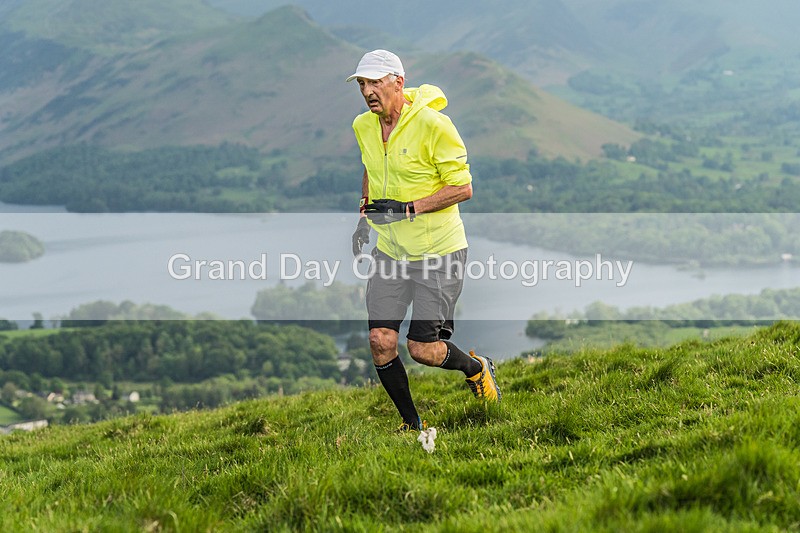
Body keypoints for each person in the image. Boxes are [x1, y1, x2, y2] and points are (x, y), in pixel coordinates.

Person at [347, 49, 501, 432]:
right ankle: (412, 425)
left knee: (422, 350)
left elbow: (462, 187)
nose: (368, 91)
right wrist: (365, 216)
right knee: (380, 340)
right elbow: (370, 166)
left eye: (375, 82)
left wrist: (408, 209)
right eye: (362, 84)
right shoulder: (363, 126)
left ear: (398, 82)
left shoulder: (434, 124)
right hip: (390, 252)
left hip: (438, 252)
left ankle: (477, 369)